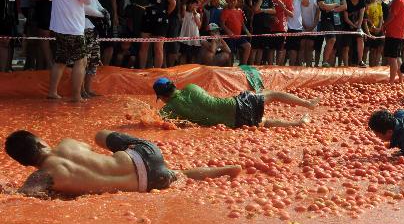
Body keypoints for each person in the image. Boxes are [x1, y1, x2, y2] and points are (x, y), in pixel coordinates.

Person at [4, 129, 240, 197]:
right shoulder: (68, 143)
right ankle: (227, 169)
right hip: (144, 153)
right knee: (98, 135)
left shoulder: (42, 178)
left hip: (147, 183)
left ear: (25, 164)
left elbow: (21, 196)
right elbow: (88, 154)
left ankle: (221, 172)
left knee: (178, 174)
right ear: (41, 141)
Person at [48, 0, 105, 102]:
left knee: (60, 60)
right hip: (71, 27)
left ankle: (53, 92)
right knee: (81, 60)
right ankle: (76, 95)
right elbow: (88, 1)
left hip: (61, 25)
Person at [153, 78, 316, 128]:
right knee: (272, 94)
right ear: (174, 86)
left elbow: (178, 125)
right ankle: (307, 103)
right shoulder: (191, 87)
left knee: (264, 123)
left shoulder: (168, 111)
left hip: (231, 122)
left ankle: (297, 123)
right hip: (233, 104)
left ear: (162, 97)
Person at [381, 0, 404, 82]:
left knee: (392, 59)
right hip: (399, 33)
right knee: (397, 57)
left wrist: (384, 24)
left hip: (394, 33)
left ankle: (391, 81)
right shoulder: (403, 0)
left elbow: (392, 16)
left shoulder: (398, 0)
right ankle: (401, 79)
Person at [317, 0, 346, 67]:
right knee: (331, 39)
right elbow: (323, 6)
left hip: (337, 20)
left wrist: (331, 8)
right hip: (326, 19)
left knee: (335, 46)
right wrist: (335, 5)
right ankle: (324, 61)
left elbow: (345, 6)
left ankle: (331, 65)